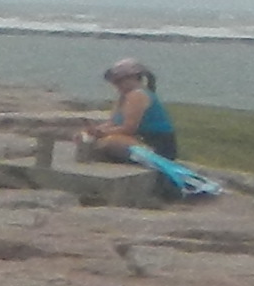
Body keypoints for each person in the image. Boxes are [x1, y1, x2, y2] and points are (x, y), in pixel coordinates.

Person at [80, 60, 219, 198]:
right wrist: (94, 130)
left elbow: (129, 128)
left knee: (110, 142)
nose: (117, 85)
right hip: (137, 140)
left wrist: (102, 133)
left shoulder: (138, 95)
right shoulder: (123, 97)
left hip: (155, 144)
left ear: (133, 78)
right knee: (93, 139)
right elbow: (112, 123)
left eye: (119, 81)